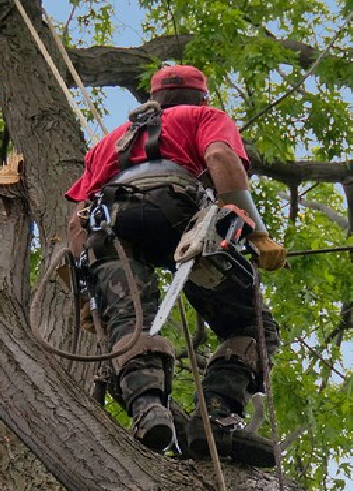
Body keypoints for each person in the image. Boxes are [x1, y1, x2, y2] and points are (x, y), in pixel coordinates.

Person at [65, 65, 286, 467]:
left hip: (110, 228)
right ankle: (216, 418)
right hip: (179, 218)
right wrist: (258, 234)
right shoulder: (205, 117)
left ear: (155, 99)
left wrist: (87, 293)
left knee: (129, 321)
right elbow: (219, 156)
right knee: (251, 325)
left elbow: (76, 221)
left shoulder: (108, 143)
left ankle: (148, 410)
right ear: (200, 97)